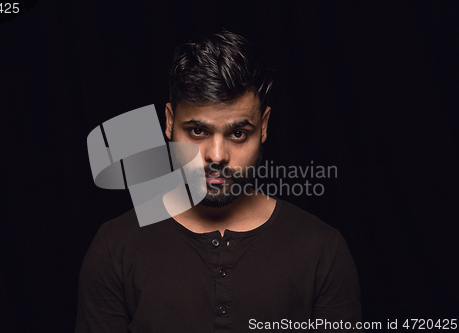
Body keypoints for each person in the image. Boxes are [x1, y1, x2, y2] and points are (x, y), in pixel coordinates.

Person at [75, 30, 363, 332]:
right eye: (198, 131)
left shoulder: (322, 249)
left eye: (238, 133)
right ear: (170, 122)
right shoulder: (114, 247)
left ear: (263, 127)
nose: (216, 156)